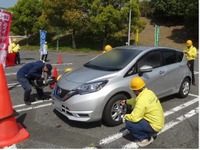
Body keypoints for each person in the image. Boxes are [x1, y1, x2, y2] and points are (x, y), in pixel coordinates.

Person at [120, 77, 164, 147]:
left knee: (128, 122)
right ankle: (151, 132)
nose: (133, 92)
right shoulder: (149, 92)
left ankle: (144, 138)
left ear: (136, 90)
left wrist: (125, 117)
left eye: (133, 90)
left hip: (154, 126)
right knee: (138, 118)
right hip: (159, 123)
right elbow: (136, 100)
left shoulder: (141, 100)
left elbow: (134, 118)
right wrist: (126, 101)